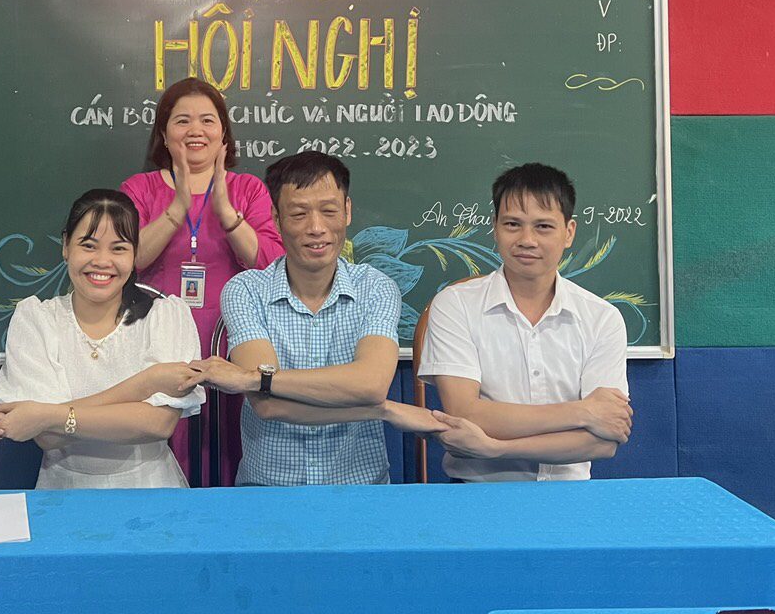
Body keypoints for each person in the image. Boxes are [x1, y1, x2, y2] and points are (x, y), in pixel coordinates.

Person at [192, 151, 479, 485]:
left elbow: (371, 384)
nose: (316, 228)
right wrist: (384, 409)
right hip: (269, 488)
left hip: (361, 488)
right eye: (298, 214)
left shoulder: (375, 287)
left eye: (329, 211)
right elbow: (269, 406)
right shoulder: (245, 290)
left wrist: (255, 378)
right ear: (276, 218)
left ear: (347, 211)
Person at [417, 162, 632, 481]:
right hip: (477, 493)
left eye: (543, 226)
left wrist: (495, 448)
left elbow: (602, 441)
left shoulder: (602, 318)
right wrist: (584, 411)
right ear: (495, 227)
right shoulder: (456, 304)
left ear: (569, 232)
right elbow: (464, 413)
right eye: (512, 224)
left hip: (570, 497)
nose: (527, 239)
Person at [121, 78, 284, 483]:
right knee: (166, 450)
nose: (196, 130)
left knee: (229, 451)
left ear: (223, 133)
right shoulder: (138, 189)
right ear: (164, 133)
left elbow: (271, 263)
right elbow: (131, 258)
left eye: (207, 120)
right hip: (158, 345)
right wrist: (178, 206)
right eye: (182, 121)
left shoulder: (248, 189)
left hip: (235, 345)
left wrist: (226, 212)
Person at [0, 189, 205, 488]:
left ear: (134, 254)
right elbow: (48, 437)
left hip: (151, 487)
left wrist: (48, 415)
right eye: (88, 245)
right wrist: (146, 383)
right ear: (66, 246)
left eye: (118, 248)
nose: (102, 261)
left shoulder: (166, 316)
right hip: (62, 489)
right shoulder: (36, 320)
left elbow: (157, 423)